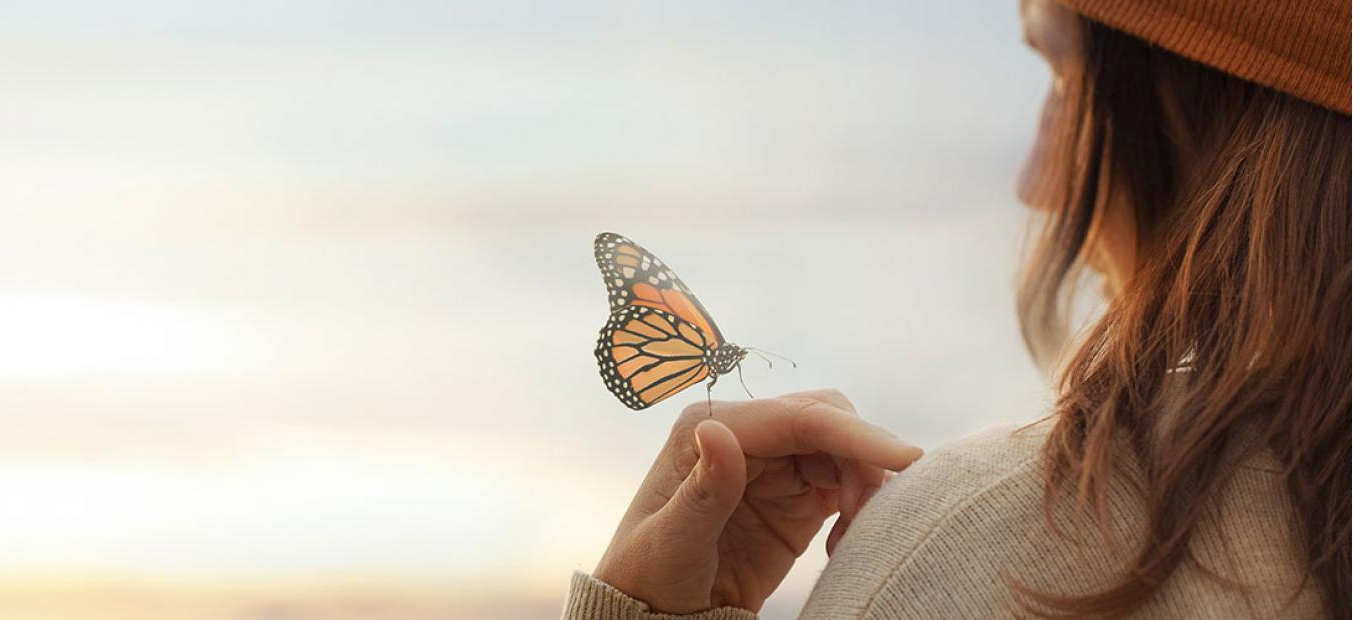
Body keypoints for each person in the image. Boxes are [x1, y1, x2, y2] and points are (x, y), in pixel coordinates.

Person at [562, 0, 1350, 617]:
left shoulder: (986, 544)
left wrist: (640, 616)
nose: (1033, 182)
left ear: (1202, 109)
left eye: (1066, 80)